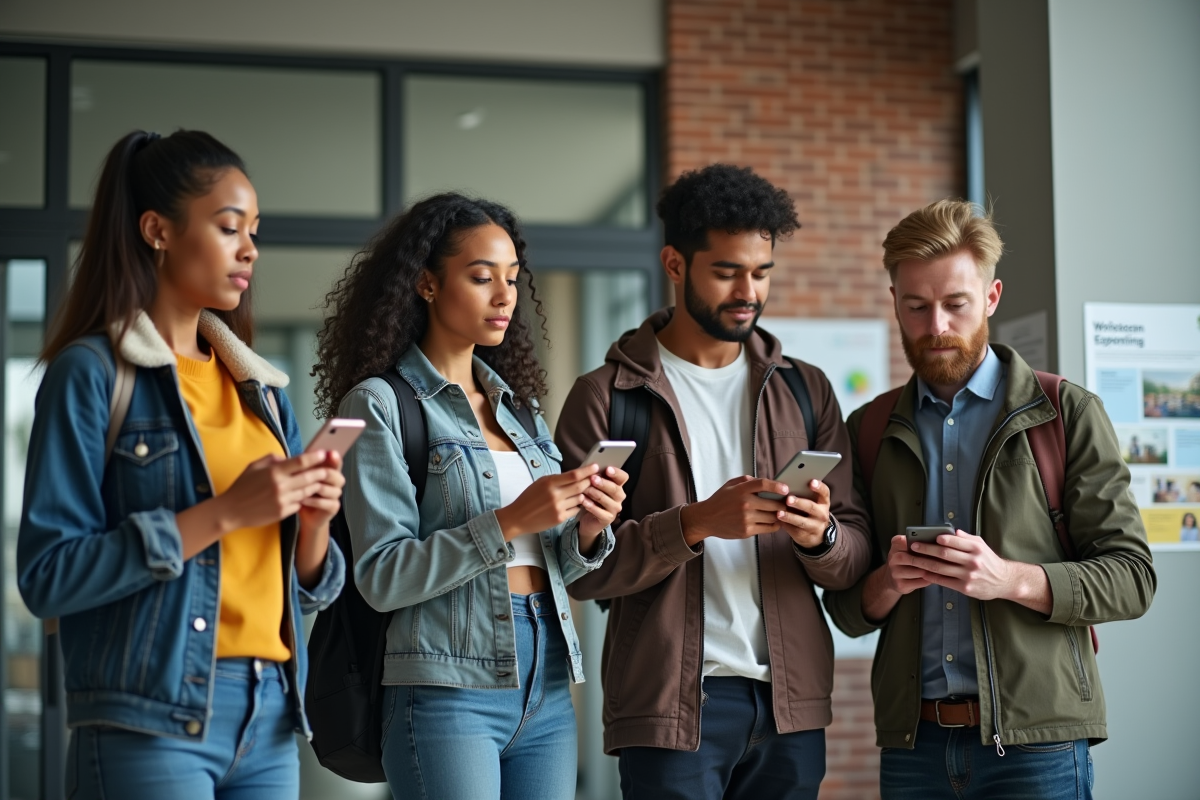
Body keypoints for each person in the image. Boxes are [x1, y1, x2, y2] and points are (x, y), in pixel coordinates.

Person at [17, 130, 346, 799]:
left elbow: (304, 587)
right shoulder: (91, 374)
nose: (250, 248)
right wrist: (225, 512)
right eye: (229, 228)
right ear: (157, 230)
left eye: (255, 230)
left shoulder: (262, 392)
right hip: (150, 716)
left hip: (272, 713)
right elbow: (48, 577)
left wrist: (312, 524)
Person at [556, 164, 872, 800]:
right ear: (675, 264)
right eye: (727, 271)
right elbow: (579, 571)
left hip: (791, 706)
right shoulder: (605, 396)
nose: (747, 291)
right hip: (671, 710)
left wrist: (822, 536)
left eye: (761, 272)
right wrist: (695, 523)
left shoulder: (806, 391)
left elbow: (853, 556)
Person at [823, 199, 1157, 800]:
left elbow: (1133, 578)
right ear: (895, 302)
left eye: (956, 304)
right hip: (913, 747)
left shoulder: (1066, 413)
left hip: (1039, 748)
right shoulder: (867, 429)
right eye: (917, 307)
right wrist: (890, 582)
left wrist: (1009, 580)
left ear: (992, 297)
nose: (937, 327)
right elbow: (845, 611)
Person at [314, 193, 626, 800]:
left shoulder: (522, 411)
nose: (505, 295)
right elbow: (380, 575)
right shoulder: (380, 403)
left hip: (549, 678)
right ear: (426, 284)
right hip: (444, 683)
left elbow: (557, 561)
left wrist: (589, 529)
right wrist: (509, 521)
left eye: (512, 278)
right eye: (482, 277)